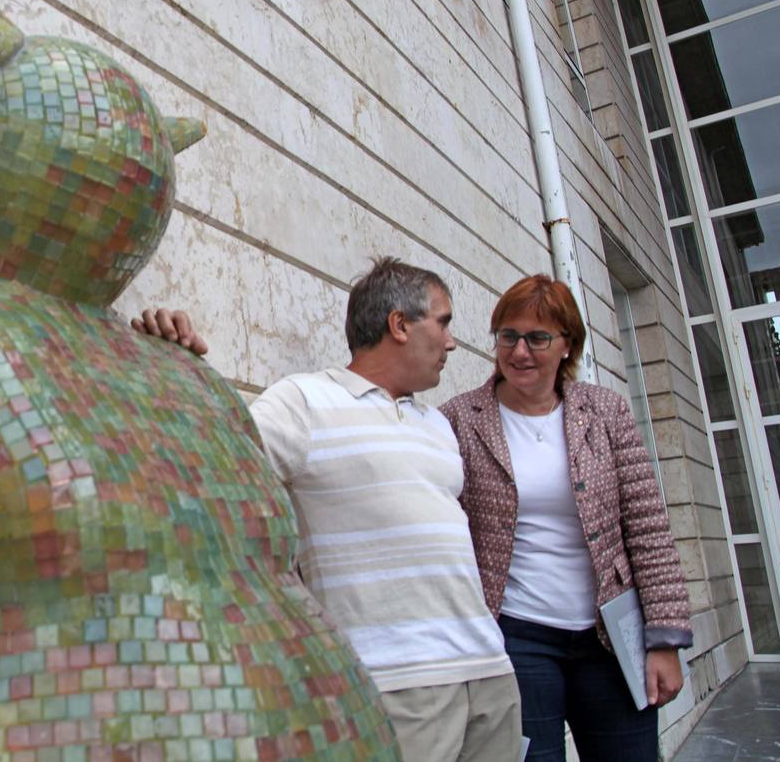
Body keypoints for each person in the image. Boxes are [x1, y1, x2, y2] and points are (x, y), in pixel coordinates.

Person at [136, 257, 523, 762]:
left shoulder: (438, 426)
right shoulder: (304, 402)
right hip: (394, 683)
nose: (452, 342)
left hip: (489, 672)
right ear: (399, 324)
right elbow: (209, 461)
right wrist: (173, 365)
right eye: (444, 322)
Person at [440, 274, 691, 761]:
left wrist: (665, 640)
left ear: (567, 344)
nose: (519, 352)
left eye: (537, 338)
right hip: (517, 637)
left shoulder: (605, 413)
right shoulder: (459, 420)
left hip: (609, 639)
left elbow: (647, 526)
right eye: (508, 336)